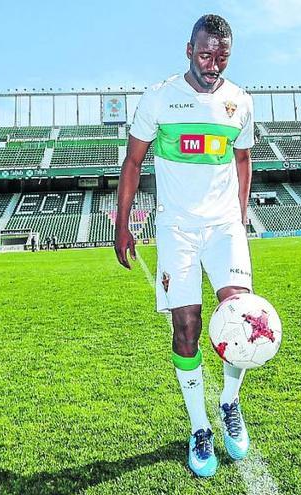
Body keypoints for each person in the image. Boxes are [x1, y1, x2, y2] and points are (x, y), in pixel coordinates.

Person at [114, 14, 255, 477]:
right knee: (187, 326)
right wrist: (122, 222)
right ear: (188, 50)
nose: (213, 65)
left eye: (222, 57)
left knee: (240, 316)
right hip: (176, 228)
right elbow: (133, 162)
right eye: (204, 54)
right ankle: (200, 427)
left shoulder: (239, 102)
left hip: (223, 227)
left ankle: (229, 403)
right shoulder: (159, 98)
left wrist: (239, 217)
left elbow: (242, 160)